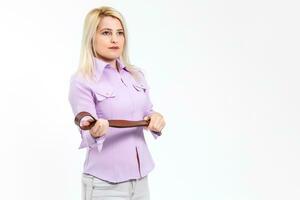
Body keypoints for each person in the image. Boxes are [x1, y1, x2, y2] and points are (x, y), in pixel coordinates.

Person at [68, 6, 166, 200]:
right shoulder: (82, 80)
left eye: (119, 33)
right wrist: (93, 130)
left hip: (140, 180)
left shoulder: (136, 75)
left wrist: (156, 118)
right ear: (91, 37)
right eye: (106, 33)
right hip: (105, 185)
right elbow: (85, 125)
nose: (115, 39)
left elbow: (147, 111)